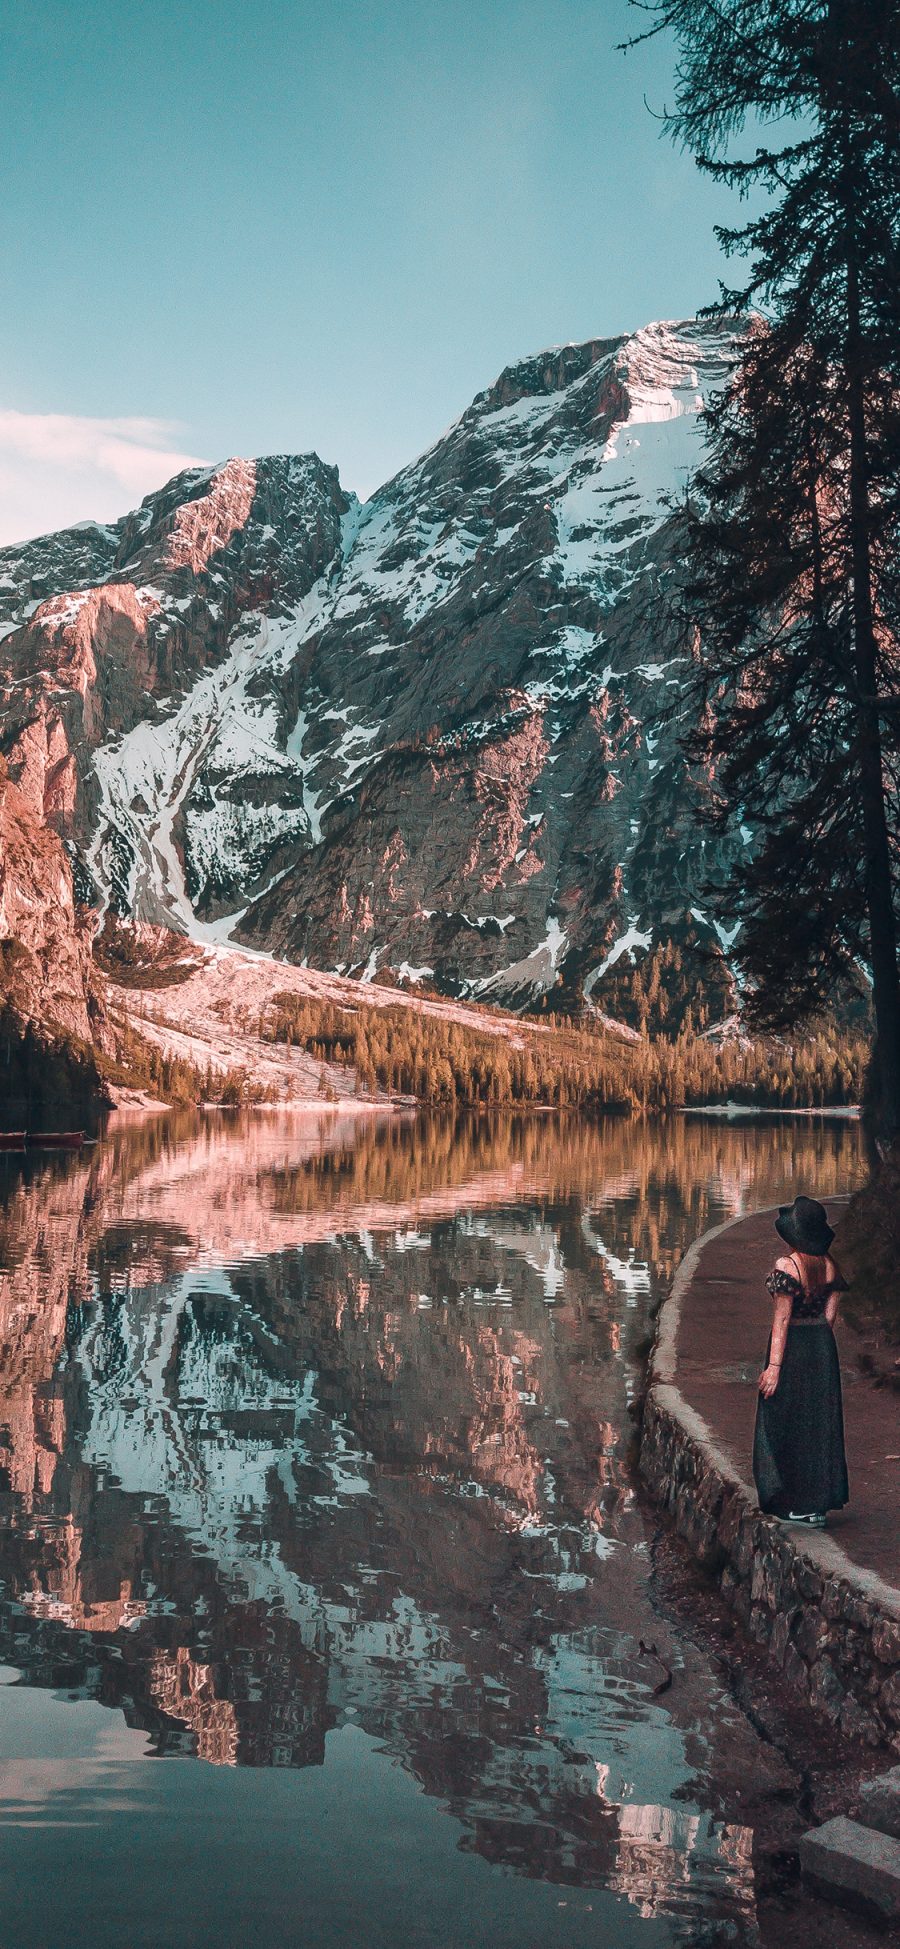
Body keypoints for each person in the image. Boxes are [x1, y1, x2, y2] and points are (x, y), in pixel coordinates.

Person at [752, 1195, 849, 1527]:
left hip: (792, 1347)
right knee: (817, 1423)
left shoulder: (787, 1266)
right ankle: (817, 1504)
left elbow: (781, 1320)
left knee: (780, 1418)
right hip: (822, 1347)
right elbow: (830, 1316)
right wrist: (818, 1343)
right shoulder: (831, 1266)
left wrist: (774, 1368)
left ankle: (789, 1501)